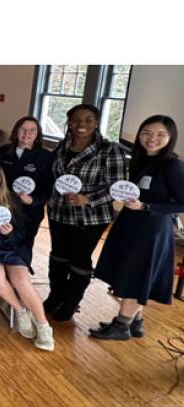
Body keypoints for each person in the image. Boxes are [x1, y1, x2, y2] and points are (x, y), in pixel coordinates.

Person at [92, 115, 184, 340]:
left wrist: (146, 205)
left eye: (160, 134)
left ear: (170, 138)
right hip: (131, 224)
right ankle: (136, 321)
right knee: (129, 271)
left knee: (136, 275)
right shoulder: (141, 159)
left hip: (151, 229)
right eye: (147, 132)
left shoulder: (172, 165)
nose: (152, 138)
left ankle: (122, 325)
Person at [43, 104, 126, 321]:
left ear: (97, 122)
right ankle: (55, 295)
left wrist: (87, 199)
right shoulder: (62, 146)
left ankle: (71, 302)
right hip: (59, 213)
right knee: (58, 256)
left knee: (79, 260)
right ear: (69, 123)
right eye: (76, 120)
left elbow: (117, 187)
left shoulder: (110, 150)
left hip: (90, 217)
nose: (82, 124)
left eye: (88, 119)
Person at [0, 162, 54, 351]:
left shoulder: (12, 201)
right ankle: (20, 310)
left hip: (12, 248)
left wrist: (9, 233)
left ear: (0, 182)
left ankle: (43, 326)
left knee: (22, 282)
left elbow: (23, 232)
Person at [0, 116, 53, 251]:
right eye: (23, 129)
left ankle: (21, 270)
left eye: (32, 130)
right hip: (3, 207)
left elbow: (49, 187)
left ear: (37, 134)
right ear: (16, 131)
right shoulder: (4, 151)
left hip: (30, 212)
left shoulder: (45, 156)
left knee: (24, 247)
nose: (27, 134)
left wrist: (33, 200)